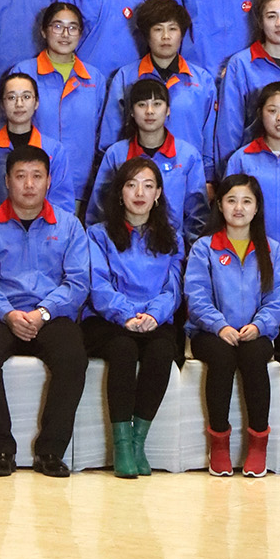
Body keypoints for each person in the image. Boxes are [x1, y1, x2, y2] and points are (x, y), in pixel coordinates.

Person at [0, 145, 95, 478]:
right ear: (7, 181)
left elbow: (78, 283)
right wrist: (8, 314)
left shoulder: (69, 226)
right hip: (0, 314)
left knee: (73, 355)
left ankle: (51, 451)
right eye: (21, 176)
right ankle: (0, 450)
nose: (29, 184)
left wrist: (44, 312)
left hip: (50, 314)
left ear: (49, 181)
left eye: (37, 176)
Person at [84, 157, 186, 479]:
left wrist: (154, 315)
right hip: (108, 318)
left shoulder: (172, 238)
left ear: (158, 194)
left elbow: (173, 288)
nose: (139, 193)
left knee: (162, 351)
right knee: (124, 350)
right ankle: (122, 447)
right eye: (131, 185)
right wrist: (127, 315)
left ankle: (138, 441)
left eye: (148, 185)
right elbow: (98, 285)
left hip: (155, 318)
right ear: (119, 193)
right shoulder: (97, 235)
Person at [183, 172, 280, 477]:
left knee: (254, 357)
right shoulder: (204, 248)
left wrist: (259, 325)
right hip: (210, 331)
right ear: (220, 205)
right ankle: (219, 444)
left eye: (246, 201)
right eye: (231, 201)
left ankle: (258, 444)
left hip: (257, 330)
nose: (238, 208)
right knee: (222, 357)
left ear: (257, 207)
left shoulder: (272, 250)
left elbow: (278, 299)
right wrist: (220, 325)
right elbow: (196, 295)